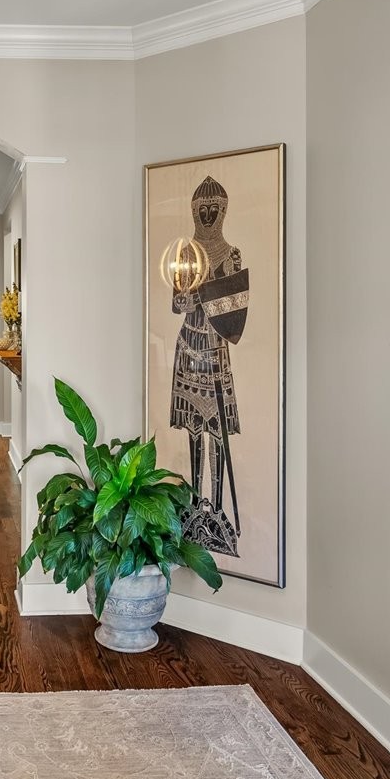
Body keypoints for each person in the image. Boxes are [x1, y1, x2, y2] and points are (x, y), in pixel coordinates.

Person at [170, 175, 243, 556]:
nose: (210, 215)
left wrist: (206, 294)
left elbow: (233, 309)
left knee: (217, 432)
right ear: (196, 211)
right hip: (188, 345)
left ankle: (216, 507)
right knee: (193, 431)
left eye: (215, 209)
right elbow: (177, 304)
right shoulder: (185, 255)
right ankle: (197, 503)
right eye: (204, 209)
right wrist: (191, 296)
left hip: (215, 347)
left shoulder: (231, 256)